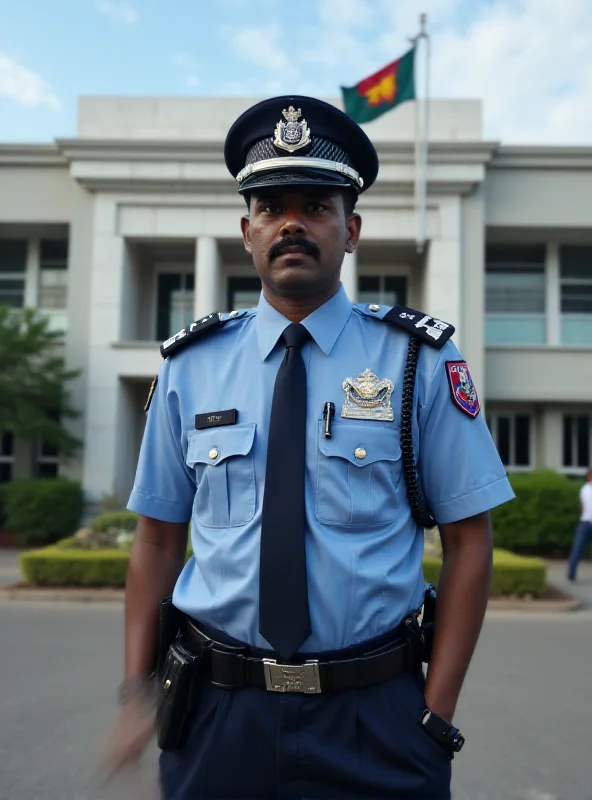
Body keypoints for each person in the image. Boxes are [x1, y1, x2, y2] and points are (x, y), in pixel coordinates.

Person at [105, 95, 515, 799]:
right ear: (246, 231)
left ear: (350, 229)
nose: (292, 222)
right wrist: (137, 692)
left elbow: (470, 541)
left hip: (375, 717)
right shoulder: (190, 366)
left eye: (316, 204)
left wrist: (435, 717)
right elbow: (158, 542)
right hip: (217, 713)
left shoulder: (418, 362)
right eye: (270, 205)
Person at [567, 468, 592, 581]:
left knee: (577, 548)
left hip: (584, 522)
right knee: (577, 549)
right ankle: (571, 573)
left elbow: (582, 506)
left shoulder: (584, 489)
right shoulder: (585, 489)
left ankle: (571, 574)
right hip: (586, 522)